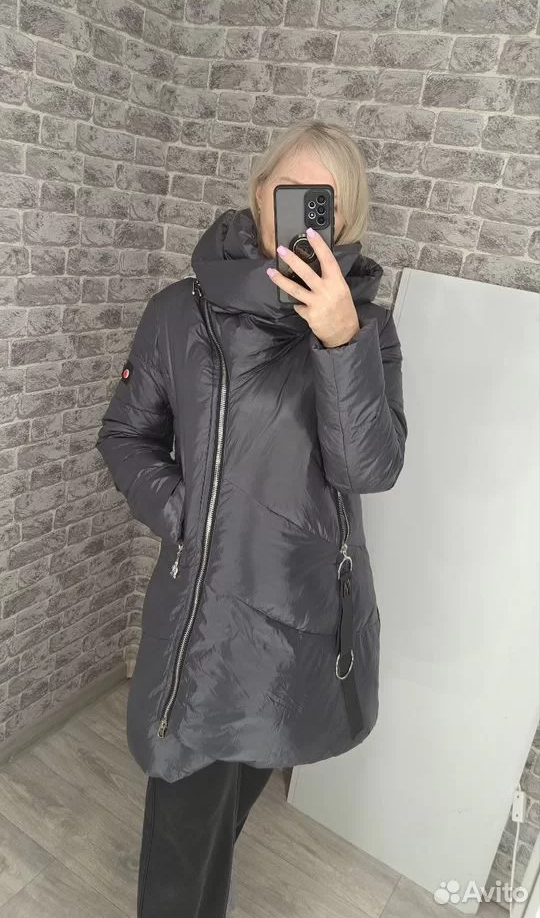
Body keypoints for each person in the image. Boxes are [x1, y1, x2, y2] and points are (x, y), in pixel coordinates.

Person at [95, 119, 408, 917]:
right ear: (259, 192)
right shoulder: (181, 313)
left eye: (322, 201)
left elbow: (368, 469)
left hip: (301, 627)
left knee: (219, 827)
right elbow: (126, 435)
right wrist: (186, 514)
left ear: (344, 217)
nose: (301, 212)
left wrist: (340, 344)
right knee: (177, 855)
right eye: (288, 191)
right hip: (207, 627)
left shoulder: (367, 328)